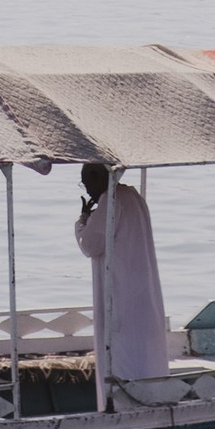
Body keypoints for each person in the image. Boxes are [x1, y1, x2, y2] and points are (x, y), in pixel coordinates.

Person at [75, 159, 170, 384]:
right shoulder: (133, 197)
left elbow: (90, 244)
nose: (87, 190)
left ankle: (122, 406)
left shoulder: (110, 201)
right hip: (140, 293)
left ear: (98, 177)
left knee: (120, 360)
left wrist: (82, 221)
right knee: (144, 356)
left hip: (120, 297)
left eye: (86, 183)